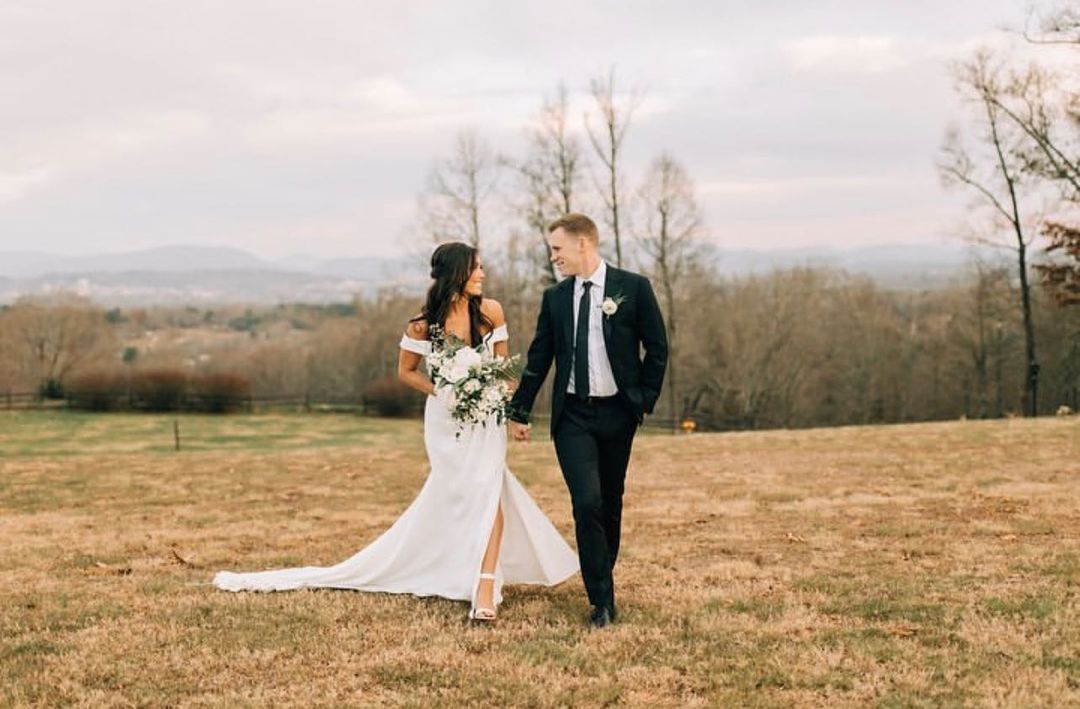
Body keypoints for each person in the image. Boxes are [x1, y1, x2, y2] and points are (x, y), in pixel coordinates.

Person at [212, 242, 578, 622]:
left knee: (489, 487)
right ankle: (449, 563)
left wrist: (499, 398)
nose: (482, 274)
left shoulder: (492, 311)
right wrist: (443, 391)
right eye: (476, 268)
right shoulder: (423, 324)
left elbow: (504, 367)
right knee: (457, 492)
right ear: (457, 272)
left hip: (486, 419)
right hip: (446, 421)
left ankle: (485, 583)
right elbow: (406, 372)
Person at [508, 213, 668, 628]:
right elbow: (540, 356)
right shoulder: (555, 298)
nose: (553, 257)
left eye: (557, 248)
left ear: (583, 244)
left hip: (618, 412)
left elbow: (657, 347)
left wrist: (644, 399)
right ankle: (601, 600)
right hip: (573, 416)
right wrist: (519, 410)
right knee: (587, 502)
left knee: (610, 501)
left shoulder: (633, 288)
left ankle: (601, 572)